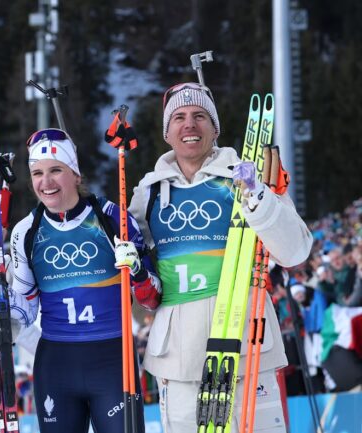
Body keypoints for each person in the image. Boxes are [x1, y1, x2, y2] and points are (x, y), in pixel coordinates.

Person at [128, 82, 313, 432]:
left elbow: (296, 251)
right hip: (177, 358)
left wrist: (258, 196)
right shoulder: (149, 192)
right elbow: (128, 258)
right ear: (167, 133)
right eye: (179, 118)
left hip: (244, 347)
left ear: (215, 127)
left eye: (200, 116)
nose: (189, 125)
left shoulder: (245, 174)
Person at [0, 128, 162, 433]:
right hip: (56, 364)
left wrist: (136, 270)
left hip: (112, 360)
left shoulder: (111, 219)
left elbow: (151, 298)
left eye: (56, 170)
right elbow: (25, 310)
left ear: (76, 175)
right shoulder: (26, 232)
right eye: (38, 173)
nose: (46, 181)